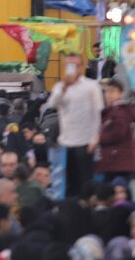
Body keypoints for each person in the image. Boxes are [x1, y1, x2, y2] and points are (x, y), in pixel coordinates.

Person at [48, 54, 105, 197]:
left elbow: (97, 113)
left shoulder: (92, 86)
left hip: (85, 141)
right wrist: (65, 87)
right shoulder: (60, 86)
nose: (72, 69)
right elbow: (52, 104)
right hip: (65, 141)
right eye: (69, 65)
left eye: (75, 65)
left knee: (85, 181)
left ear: (81, 67)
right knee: (68, 181)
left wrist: (94, 139)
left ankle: (85, 204)